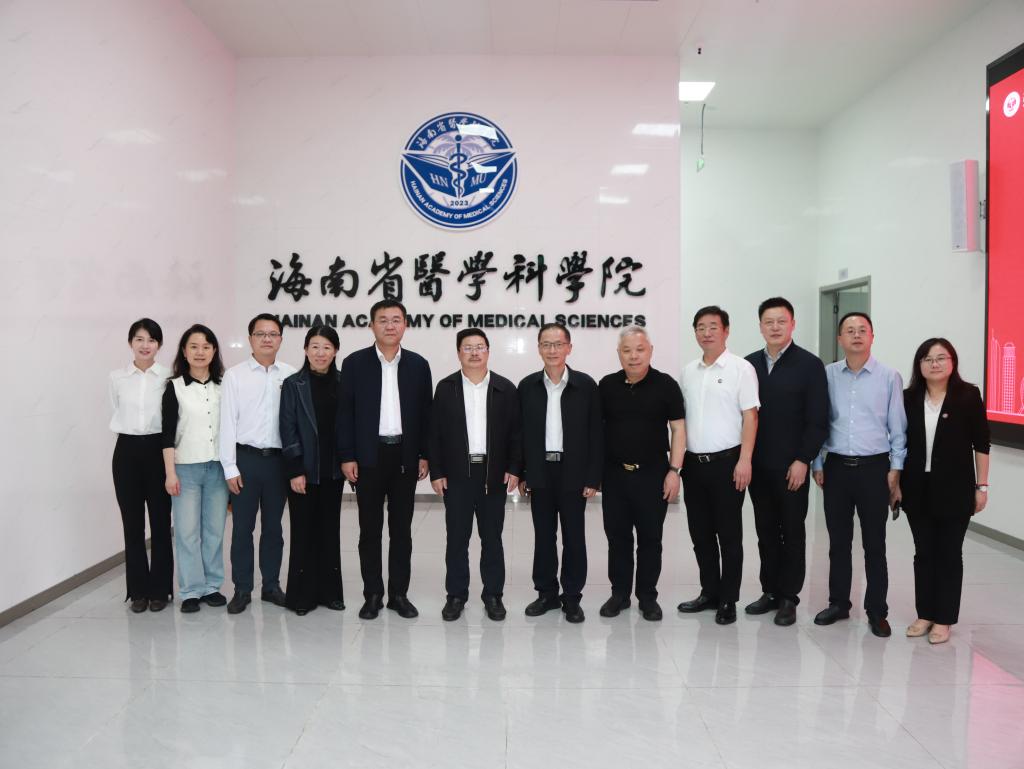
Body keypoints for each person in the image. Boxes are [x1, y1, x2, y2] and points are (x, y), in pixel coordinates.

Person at [812, 312, 907, 638]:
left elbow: (898, 427)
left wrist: (896, 470)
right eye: (849, 330)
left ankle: (877, 611)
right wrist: (817, 463)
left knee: (874, 543)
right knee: (838, 542)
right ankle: (839, 603)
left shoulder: (889, 377)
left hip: (874, 469)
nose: (856, 335)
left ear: (872, 336)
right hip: (837, 467)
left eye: (862, 330)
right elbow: (820, 422)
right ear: (840, 338)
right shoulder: (827, 375)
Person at [337, 299, 432, 620]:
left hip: (405, 456)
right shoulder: (354, 364)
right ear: (371, 325)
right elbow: (345, 414)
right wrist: (347, 456)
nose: (390, 326)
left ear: (405, 324)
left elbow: (426, 414)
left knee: (401, 530)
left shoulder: (418, 365)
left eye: (396, 319)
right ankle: (373, 594)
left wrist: (424, 454)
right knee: (369, 530)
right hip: (368, 457)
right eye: (383, 320)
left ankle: (399, 594)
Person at [896, 338, 990, 645]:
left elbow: (982, 443)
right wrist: (895, 483)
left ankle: (945, 618)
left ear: (952, 362)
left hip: (955, 489)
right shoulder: (908, 397)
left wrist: (982, 486)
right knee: (923, 552)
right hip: (916, 488)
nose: (934, 363)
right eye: (927, 358)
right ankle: (925, 613)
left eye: (940, 357)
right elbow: (898, 441)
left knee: (949, 553)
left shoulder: (968, 395)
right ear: (919, 365)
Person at [743, 298, 828, 626]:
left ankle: (789, 597)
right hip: (758, 466)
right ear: (760, 326)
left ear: (792, 324)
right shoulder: (749, 365)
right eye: (769, 322)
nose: (775, 327)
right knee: (765, 530)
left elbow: (817, 419)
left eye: (781, 321)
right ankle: (770, 591)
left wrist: (803, 459)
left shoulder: (809, 365)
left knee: (792, 531)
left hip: (792, 466)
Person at [429, 329, 522, 622]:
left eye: (479, 347)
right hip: (457, 473)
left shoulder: (505, 388)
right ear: (459, 352)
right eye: (467, 347)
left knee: (492, 538)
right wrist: (437, 471)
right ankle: (456, 595)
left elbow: (517, 434)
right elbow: (435, 434)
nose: (474, 352)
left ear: (488, 351)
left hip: (493, 474)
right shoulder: (446, 388)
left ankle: (493, 595)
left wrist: (514, 468)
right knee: (457, 538)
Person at [678, 306, 759, 626]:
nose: (706, 332)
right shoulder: (688, 371)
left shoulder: (741, 368)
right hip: (693, 465)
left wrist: (745, 460)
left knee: (729, 534)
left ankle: (728, 598)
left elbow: (751, 417)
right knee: (700, 534)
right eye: (700, 327)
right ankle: (709, 592)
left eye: (713, 326)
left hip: (728, 464)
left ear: (726, 330)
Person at [598, 326, 685, 622]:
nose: (633, 356)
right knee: (617, 538)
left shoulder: (666, 385)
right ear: (618, 353)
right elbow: (596, 430)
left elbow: (678, 429)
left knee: (650, 538)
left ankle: (647, 597)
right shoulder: (607, 385)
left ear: (650, 351)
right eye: (627, 350)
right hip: (615, 475)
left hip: (653, 474)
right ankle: (620, 594)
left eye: (639, 349)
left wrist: (674, 471)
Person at [517, 323, 602, 623]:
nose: (552, 350)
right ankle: (546, 594)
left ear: (569, 347)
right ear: (538, 348)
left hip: (574, 472)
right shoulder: (527, 386)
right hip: (540, 472)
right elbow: (520, 434)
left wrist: (593, 477)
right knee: (543, 537)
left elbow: (596, 434)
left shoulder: (586, 386)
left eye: (558, 344)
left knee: (574, 537)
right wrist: (522, 472)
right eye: (546, 344)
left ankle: (572, 597)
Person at [219, 313, 297, 614]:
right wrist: (230, 467)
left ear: (280, 339)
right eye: (260, 334)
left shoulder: (290, 375)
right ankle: (242, 588)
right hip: (245, 461)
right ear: (250, 338)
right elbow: (227, 423)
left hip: (278, 463)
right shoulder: (235, 376)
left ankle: (271, 586)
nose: (267, 339)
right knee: (242, 528)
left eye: (273, 334)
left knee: (274, 527)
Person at [161, 324, 229, 613]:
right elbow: (167, 434)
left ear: (214, 351)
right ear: (184, 351)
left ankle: (212, 586)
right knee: (187, 532)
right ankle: (190, 590)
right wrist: (170, 473)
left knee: (214, 531)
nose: (200, 352)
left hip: (218, 469)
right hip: (185, 470)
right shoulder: (174, 387)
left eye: (206, 346)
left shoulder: (224, 386)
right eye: (194, 346)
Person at [280, 326, 346, 616]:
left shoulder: (344, 383)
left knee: (330, 531)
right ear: (306, 350)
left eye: (327, 347)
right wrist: (295, 469)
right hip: (303, 471)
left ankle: (331, 594)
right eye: (315, 347)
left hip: (333, 470)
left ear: (335, 351)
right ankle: (302, 597)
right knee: (303, 532)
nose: (321, 353)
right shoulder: (293, 384)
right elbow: (287, 428)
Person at [109, 318, 172, 613]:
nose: (145, 345)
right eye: (139, 339)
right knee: (132, 525)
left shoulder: (168, 377)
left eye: (151, 340)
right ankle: (137, 591)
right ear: (130, 343)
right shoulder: (117, 378)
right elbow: (116, 410)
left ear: (159, 345)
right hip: (126, 452)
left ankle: (160, 590)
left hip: (158, 451)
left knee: (160, 523)